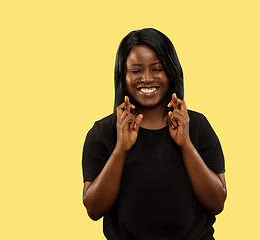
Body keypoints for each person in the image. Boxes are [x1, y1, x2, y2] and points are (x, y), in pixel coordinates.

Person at [82, 28, 227, 239]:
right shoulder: (101, 133)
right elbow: (94, 210)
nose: (147, 78)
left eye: (157, 69)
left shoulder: (197, 126)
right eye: (136, 70)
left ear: (171, 71)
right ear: (123, 75)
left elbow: (217, 203)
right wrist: (120, 150)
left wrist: (186, 145)